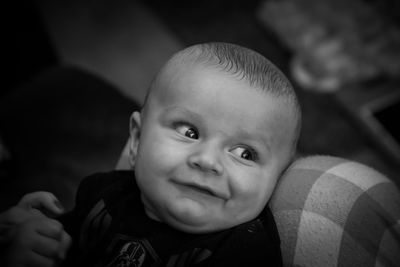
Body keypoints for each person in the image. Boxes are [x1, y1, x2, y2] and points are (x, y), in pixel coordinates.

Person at [2, 42, 301, 266]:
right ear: (136, 139)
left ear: (277, 179)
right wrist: (33, 238)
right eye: (189, 132)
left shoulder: (244, 253)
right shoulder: (100, 194)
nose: (208, 161)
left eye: (244, 153)